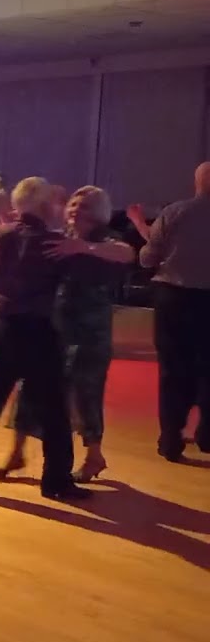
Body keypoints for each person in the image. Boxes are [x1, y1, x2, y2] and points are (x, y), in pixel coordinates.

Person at [0, 177, 135, 501]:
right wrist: (86, 249)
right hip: (38, 330)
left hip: (3, 325)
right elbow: (122, 258)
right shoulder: (54, 244)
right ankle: (56, 481)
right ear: (42, 205)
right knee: (54, 408)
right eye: (51, 200)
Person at [0, 187, 130, 482]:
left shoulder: (105, 239)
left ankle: (94, 456)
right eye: (73, 204)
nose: (75, 209)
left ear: (98, 212)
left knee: (84, 394)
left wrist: (84, 248)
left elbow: (126, 253)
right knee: (29, 388)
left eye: (83, 206)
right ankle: (16, 452)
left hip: (90, 332)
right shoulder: (61, 236)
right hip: (55, 326)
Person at [132, 162, 210, 461]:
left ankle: (170, 439)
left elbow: (148, 258)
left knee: (173, 369)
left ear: (197, 183)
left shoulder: (175, 212)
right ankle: (207, 435)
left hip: (174, 299)